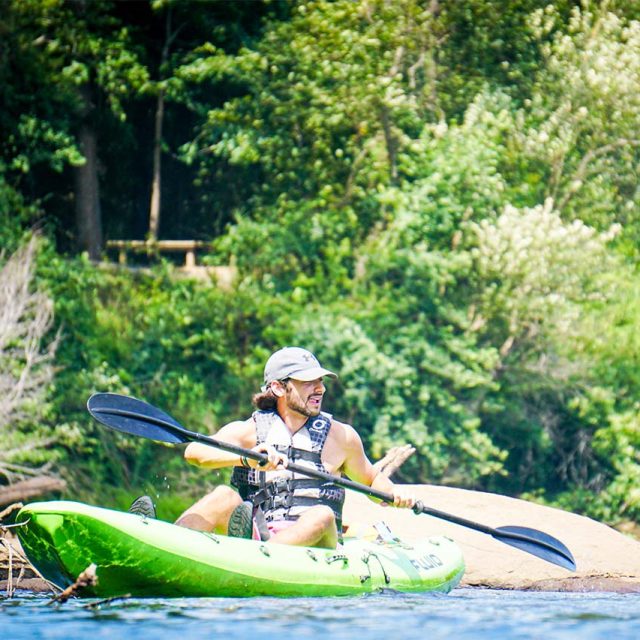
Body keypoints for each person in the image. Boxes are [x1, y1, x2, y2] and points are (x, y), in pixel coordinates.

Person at [173, 347, 416, 549]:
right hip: (259, 536)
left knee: (321, 515)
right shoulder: (249, 430)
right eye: (309, 382)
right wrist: (246, 459)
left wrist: (394, 493)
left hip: (318, 549)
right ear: (279, 387)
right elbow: (194, 453)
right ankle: (170, 548)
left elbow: (372, 481)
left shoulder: (341, 436)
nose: (320, 388)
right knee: (222, 496)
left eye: (320, 381)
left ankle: (263, 561)